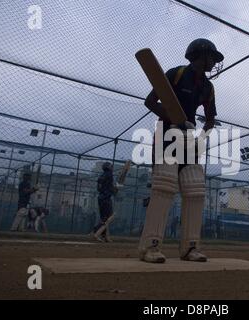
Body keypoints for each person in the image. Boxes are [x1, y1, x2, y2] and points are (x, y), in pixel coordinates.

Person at [138, 38, 224, 263]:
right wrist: (171, 118)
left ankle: (190, 248)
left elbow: (211, 119)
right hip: (167, 132)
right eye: (212, 58)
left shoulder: (207, 87)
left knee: (195, 189)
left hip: (189, 138)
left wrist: (201, 139)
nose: (214, 63)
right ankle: (151, 246)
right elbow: (150, 102)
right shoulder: (176, 74)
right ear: (200, 54)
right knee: (165, 184)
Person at [92, 162, 119, 242]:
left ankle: (105, 236)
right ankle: (96, 230)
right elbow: (111, 188)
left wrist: (112, 189)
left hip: (100, 198)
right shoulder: (109, 174)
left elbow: (100, 188)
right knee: (109, 217)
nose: (112, 167)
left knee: (104, 218)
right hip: (106, 198)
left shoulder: (101, 176)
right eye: (111, 166)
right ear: (108, 167)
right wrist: (116, 188)